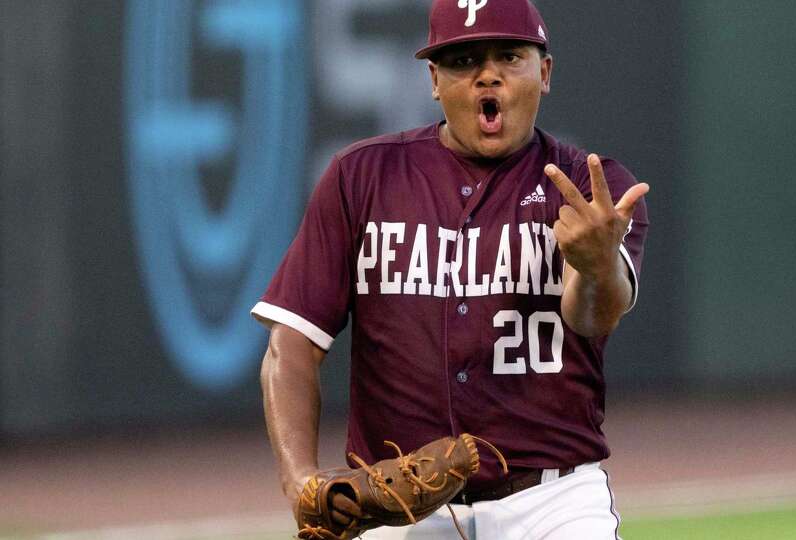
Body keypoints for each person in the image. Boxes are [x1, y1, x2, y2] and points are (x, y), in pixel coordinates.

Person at [252, 1, 649, 538]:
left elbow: (593, 316)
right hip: (398, 508)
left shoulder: (589, 189)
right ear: (434, 80)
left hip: (552, 501)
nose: (488, 74)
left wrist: (598, 262)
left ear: (545, 72)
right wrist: (299, 480)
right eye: (464, 60)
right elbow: (291, 343)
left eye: (509, 55)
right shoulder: (360, 177)